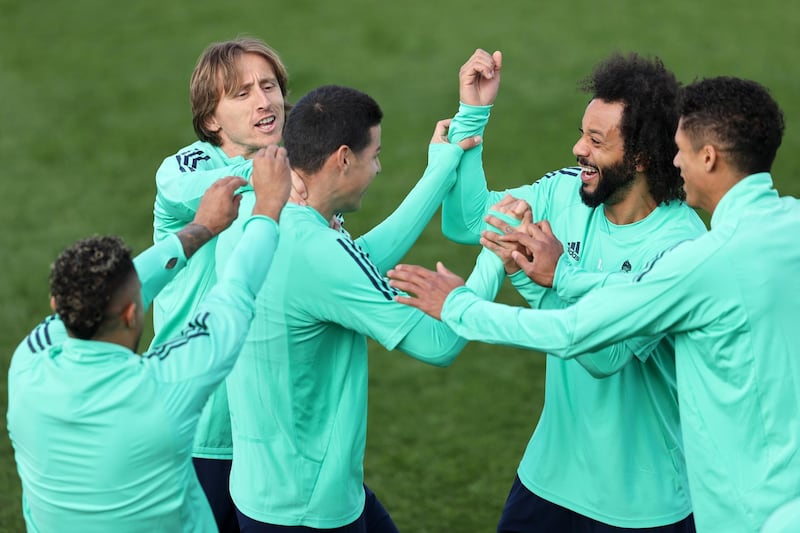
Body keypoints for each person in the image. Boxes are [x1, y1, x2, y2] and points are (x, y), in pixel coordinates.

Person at [390, 77, 799, 533]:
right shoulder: (568, 190)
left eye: (596, 140)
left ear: (643, 156)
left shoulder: (686, 249)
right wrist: (472, 113)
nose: (577, 148)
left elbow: (603, 353)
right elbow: (470, 220)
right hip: (548, 477)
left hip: (639, 503)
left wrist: (510, 287)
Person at [215, 85, 483, 531]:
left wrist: (440, 172)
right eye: (374, 155)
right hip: (308, 510)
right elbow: (440, 344)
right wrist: (496, 255)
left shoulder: (256, 214)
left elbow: (354, 262)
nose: (378, 168)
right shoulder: (317, 252)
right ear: (343, 158)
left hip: (274, 491)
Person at [7, 152, 290, 533]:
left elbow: (119, 290)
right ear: (130, 314)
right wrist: (267, 210)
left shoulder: (28, 363)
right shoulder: (165, 387)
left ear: (58, 305)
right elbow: (235, 293)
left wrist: (202, 227)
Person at [150, 37, 293, 531]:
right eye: (240, 93)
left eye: (269, 86)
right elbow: (209, 192)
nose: (263, 100)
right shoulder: (186, 167)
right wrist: (282, 172)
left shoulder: (293, 178)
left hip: (274, 427)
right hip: (198, 428)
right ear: (211, 119)